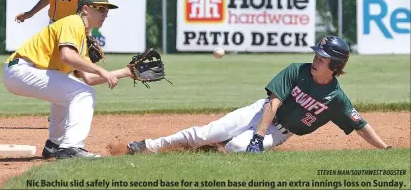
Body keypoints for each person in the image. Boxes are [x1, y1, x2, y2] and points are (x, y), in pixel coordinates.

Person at [126, 35, 392, 154]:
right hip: (260, 112)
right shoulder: (296, 71)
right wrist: (258, 137)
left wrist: (385, 149)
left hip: (282, 132)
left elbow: (359, 124)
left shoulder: (336, 98)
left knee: (234, 147)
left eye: (321, 58)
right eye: (315, 54)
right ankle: (149, 145)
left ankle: (218, 147)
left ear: (334, 66)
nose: (315, 59)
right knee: (205, 132)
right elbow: (273, 104)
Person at [3, 0, 131, 159]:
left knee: (71, 91)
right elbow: (67, 56)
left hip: (24, 72)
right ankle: (71, 147)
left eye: (107, 11)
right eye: (100, 9)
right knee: (83, 93)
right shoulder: (74, 22)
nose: (105, 14)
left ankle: (54, 145)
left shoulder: (82, 39)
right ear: (85, 9)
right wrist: (102, 70)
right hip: (22, 69)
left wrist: (127, 72)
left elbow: (89, 79)